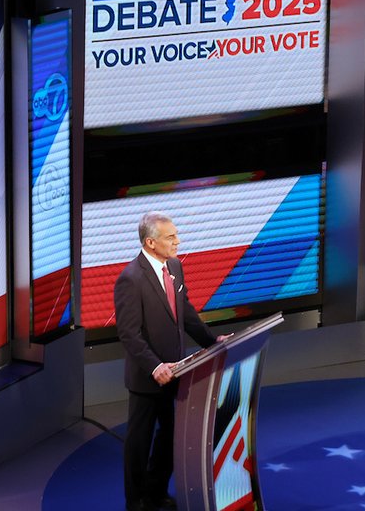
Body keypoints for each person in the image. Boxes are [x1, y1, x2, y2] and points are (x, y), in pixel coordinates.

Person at [115, 211, 229, 511]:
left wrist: (211, 341)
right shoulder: (131, 279)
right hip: (148, 377)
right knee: (139, 443)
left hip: (178, 371)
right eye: (171, 237)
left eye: (176, 235)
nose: (178, 241)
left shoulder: (175, 267)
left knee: (169, 437)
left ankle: (156, 492)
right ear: (151, 242)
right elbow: (129, 334)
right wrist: (155, 366)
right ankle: (136, 501)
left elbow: (185, 311)